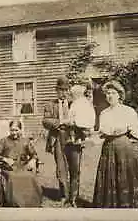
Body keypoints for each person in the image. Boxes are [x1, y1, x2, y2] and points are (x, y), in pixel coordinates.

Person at [92, 80, 138, 208]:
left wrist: (126, 138)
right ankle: (109, 204)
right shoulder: (104, 113)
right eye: (108, 93)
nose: (110, 96)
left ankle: (127, 204)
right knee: (108, 175)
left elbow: (136, 131)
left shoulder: (128, 111)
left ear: (119, 95)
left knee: (125, 174)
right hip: (108, 147)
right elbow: (102, 131)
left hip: (123, 147)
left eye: (113, 93)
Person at [42, 76, 94, 207]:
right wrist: (59, 122)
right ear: (56, 90)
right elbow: (45, 121)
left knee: (75, 169)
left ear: (69, 91)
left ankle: (74, 198)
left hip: (74, 138)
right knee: (61, 168)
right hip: (58, 137)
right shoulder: (50, 104)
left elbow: (85, 115)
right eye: (60, 90)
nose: (63, 93)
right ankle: (64, 196)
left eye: (66, 90)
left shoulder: (75, 103)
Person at [0, 120, 42, 207]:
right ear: (9, 130)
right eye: (12, 130)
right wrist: (5, 159)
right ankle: (16, 203)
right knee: (14, 178)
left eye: (16, 130)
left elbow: (34, 154)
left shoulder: (25, 141)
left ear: (20, 130)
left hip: (22, 167)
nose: (14, 133)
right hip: (8, 168)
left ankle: (31, 202)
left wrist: (33, 160)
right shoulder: (3, 141)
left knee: (30, 176)